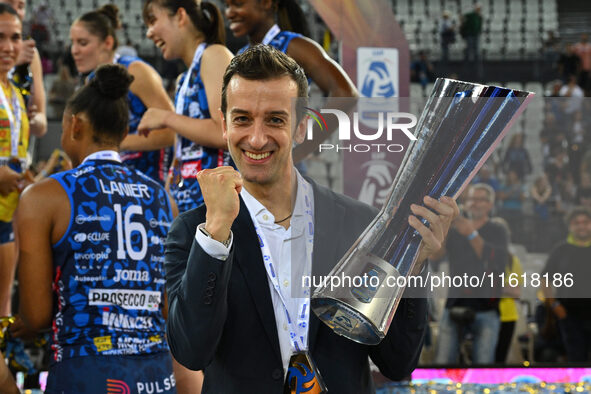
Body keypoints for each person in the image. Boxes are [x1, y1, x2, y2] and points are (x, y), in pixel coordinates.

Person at [164, 45, 458, 393]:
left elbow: (398, 362)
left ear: (302, 127)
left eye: (275, 119)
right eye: (242, 119)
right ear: (224, 126)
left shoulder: (360, 224)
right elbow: (192, 351)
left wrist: (413, 263)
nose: (257, 138)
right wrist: (216, 234)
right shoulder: (195, 231)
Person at [15, 64, 177, 393]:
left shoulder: (45, 196)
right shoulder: (163, 198)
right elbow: (167, 306)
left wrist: (18, 328)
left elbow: (36, 316)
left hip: (85, 371)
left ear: (75, 125)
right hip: (156, 374)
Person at [223, 0, 358, 162]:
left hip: (280, 165)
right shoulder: (241, 54)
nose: (229, 13)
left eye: (237, 4)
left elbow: (346, 93)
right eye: (227, 5)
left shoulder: (295, 46)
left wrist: (303, 150)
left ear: (266, 3)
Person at [140, 0, 234, 213]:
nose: (149, 33)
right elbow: (184, 151)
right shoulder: (184, 78)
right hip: (190, 208)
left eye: (153, 20)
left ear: (181, 16)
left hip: (218, 210)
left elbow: (228, 133)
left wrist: (166, 118)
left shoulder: (214, 55)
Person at [70, 4, 175, 185]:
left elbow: (172, 132)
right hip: (114, 182)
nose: (74, 50)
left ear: (108, 43)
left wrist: (114, 142)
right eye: (72, 43)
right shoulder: (90, 83)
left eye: (82, 43)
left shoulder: (136, 71)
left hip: (151, 184)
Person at [433, 183, 509, 365]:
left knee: (483, 366)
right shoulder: (454, 230)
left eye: (480, 199)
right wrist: (443, 227)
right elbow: (436, 257)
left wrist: (471, 233)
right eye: (471, 199)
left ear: (490, 205)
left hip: (486, 308)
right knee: (443, 362)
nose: (474, 203)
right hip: (455, 303)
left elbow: (495, 260)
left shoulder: (497, 229)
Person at [0, 3, 30, 317]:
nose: (8, 47)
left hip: (7, 216)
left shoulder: (15, 94)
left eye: (15, 37)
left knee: (3, 310)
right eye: (0, 37)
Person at [542, 206, 591, 362]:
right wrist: (554, 305)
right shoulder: (560, 250)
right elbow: (544, 279)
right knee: (576, 360)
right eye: (576, 222)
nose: (581, 226)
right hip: (570, 316)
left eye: (585, 222)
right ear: (570, 226)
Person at [1, 0, 46, 138]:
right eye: (8, 3)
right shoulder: (13, 53)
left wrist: (28, 117)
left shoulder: (31, 54)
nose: (15, 10)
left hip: (16, 153)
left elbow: (41, 124)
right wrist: (12, 62)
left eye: (21, 6)